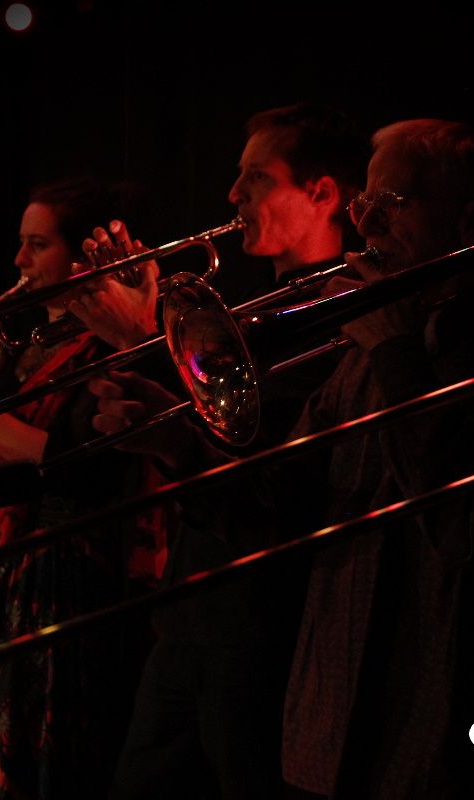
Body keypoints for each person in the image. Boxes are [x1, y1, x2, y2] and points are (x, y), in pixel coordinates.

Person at [91, 118, 474, 797]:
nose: (367, 225)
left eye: (391, 203)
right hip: (328, 722)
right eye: (368, 204)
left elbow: (467, 525)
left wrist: (393, 352)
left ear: (472, 218)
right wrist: (179, 447)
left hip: (441, 730)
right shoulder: (368, 349)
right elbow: (281, 509)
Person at [83, 103, 369, 799]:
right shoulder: (256, 309)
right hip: (193, 611)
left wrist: (142, 340)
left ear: (322, 193)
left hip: (259, 624)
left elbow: (259, 460)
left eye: (256, 178)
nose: (232, 193)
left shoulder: (349, 314)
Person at [0, 177, 154, 800]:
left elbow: (65, 462)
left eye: (37, 245)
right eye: (21, 243)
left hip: (56, 588)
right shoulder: (20, 350)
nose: (18, 259)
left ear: (82, 256)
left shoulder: (104, 348)